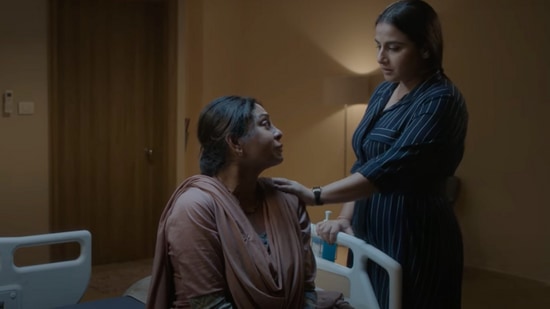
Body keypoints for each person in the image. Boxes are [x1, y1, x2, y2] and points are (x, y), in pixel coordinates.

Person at [273, 1, 468, 308]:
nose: (381, 58)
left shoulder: (440, 101)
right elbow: (365, 162)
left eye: (394, 47)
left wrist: (315, 195)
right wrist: (345, 217)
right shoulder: (383, 92)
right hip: (371, 228)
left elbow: (389, 169)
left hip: (414, 231)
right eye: (378, 46)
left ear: (426, 49)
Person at [146, 96, 350, 309]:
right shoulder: (195, 207)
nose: (279, 132)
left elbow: (306, 289)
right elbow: (210, 305)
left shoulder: (288, 201)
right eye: (265, 124)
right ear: (235, 143)